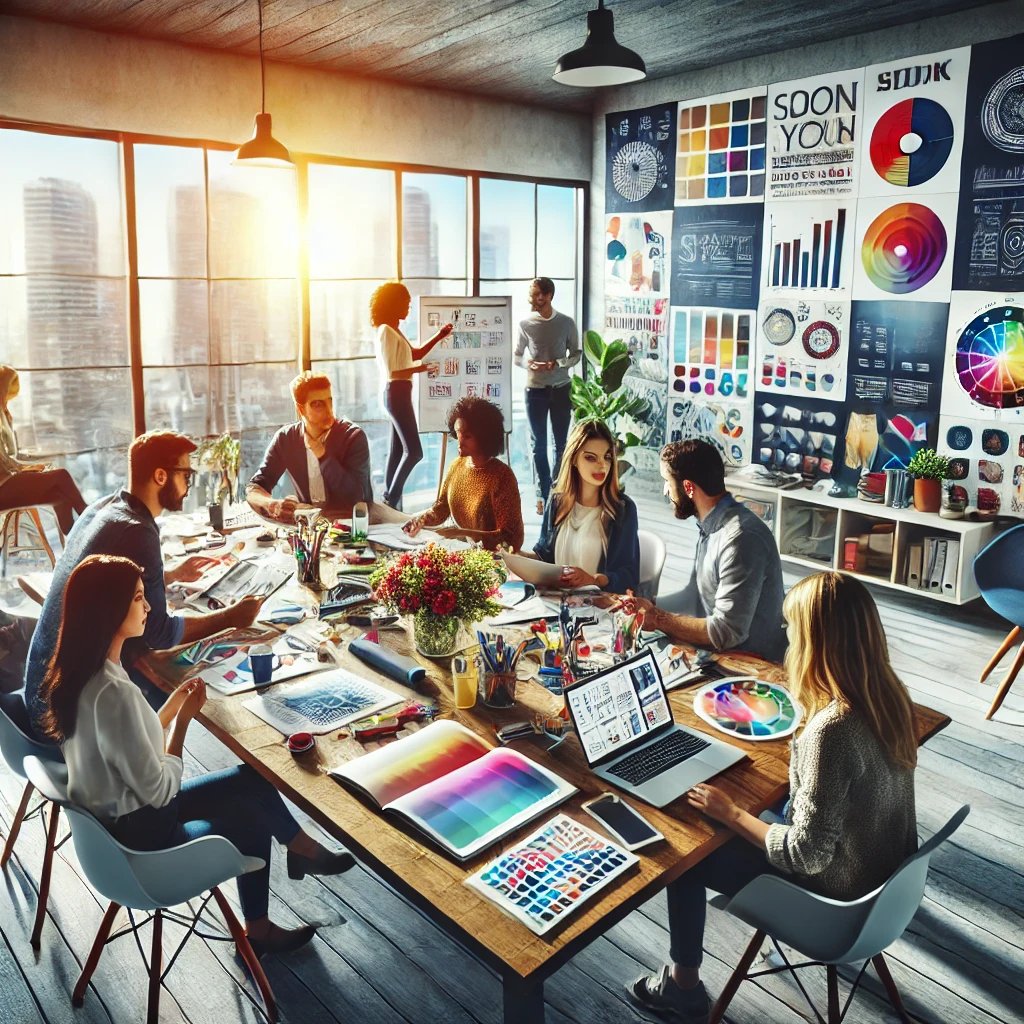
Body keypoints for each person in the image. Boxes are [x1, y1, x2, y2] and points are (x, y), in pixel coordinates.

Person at [629, 571, 919, 1022]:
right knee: (749, 810)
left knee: (685, 854)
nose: (787, 639)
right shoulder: (890, 696)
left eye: (792, 629)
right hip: (885, 883)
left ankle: (683, 989)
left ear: (815, 642)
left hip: (835, 900)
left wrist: (732, 813)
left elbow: (806, 854)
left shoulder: (832, 730)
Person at [39, 554, 354, 957]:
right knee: (251, 814)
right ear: (110, 610)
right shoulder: (116, 693)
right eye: (138, 598)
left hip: (113, 828)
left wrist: (168, 709)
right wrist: (183, 724)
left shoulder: (80, 674)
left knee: (254, 777)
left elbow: (122, 743)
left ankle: (301, 848)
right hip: (146, 840)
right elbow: (160, 791)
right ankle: (260, 925)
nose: (149, 606)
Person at [23, 430, 263, 729]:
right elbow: (158, 634)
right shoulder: (138, 530)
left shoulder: (103, 507)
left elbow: (103, 572)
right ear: (161, 476)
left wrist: (170, 575)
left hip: (39, 687)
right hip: (65, 717)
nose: (189, 485)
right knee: (164, 678)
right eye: (185, 475)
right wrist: (231, 617)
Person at [622, 439, 787, 662]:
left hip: (750, 664)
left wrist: (658, 618)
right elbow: (695, 597)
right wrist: (646, 606)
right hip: (721, 655)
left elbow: (726, 632)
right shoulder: (711, 526)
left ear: (688, 487)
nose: (665, 491)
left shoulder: (740, 538)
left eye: (667, 482)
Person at [403, 396, 523, 552]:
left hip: (493, 561)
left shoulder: (502, 476)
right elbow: (441, 509)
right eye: (458, 433)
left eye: (467, 436)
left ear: (485, 438)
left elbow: (511, 539)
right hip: (462, 551)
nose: (459, 442)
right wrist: (421, 520)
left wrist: (460, 534)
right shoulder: (457, 466)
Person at [247, 371, 372, 519]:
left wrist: (323, 456)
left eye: (329, 401)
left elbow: (355, 498)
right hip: (311, 527)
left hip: (354, 524)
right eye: (318, 405)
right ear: (301, 410)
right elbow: (254, 488)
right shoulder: (286, 439)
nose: (329, 411)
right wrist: (272, 504)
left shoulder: (353, 436)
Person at [371, 282, 453, 509]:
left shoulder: (395, 330)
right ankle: (389, 500)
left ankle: (390, 506)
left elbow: (415, 354)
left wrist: (439, 336)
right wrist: (423, 369)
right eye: (405, 303)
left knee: (398, 451)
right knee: (414, 451)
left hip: (401, 392)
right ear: (393, 304)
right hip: (395, 392)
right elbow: (392, 371)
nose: (408, 307)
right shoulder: (386, 331)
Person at [533, 420, 639, 591]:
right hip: (556, 604)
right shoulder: (557, 501)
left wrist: (593, 579)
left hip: (599, 608)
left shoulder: (622, 509)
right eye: (591, 457)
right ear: (573, 458)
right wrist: (512, 555)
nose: (602, 465)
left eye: (607, 457)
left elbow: (629, 575)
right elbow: (544, 556)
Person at [514, 278, 580, 515]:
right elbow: (516, 355)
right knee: (538, 445)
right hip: (535, 390)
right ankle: (542, 492)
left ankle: (557, 489)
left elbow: (576, 354)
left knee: (561, 444)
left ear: (549, 295)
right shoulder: (525, 324)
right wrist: (527, 363)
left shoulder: (566, 323)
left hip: (562, 388)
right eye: (531, 294)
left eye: (538, 294)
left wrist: (558, 363)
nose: (533, 299)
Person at [0, 364, 87, 537]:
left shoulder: (3, 417)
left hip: (6, 483)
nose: (6, 400)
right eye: (5, 392)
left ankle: (75, 541)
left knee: (60, 497)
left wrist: (27, 467)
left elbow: (7, 458)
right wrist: (22, 469)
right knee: (61, 475)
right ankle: (93, 523)